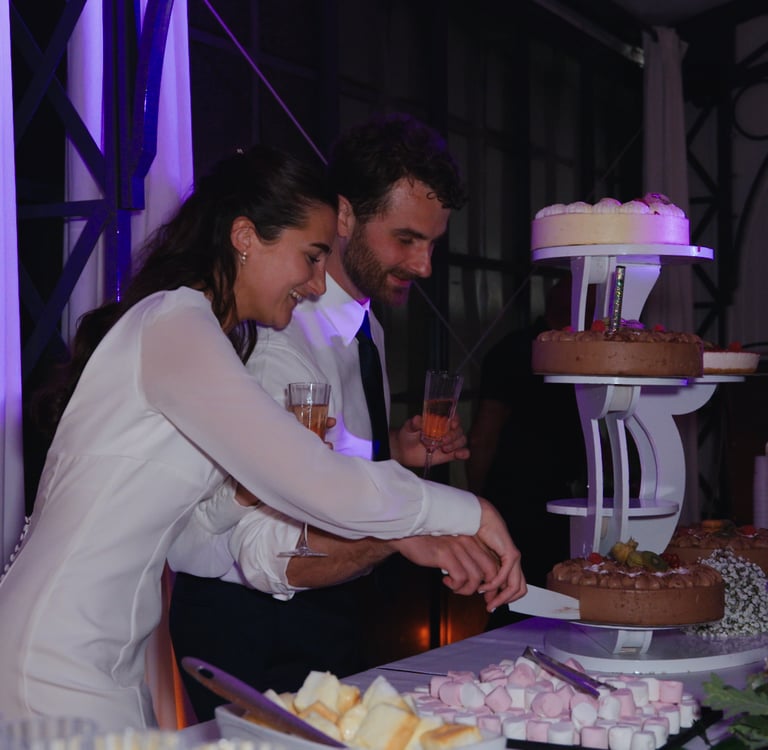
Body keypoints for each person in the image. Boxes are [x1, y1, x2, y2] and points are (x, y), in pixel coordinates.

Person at [0, 144, 525, 731]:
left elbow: (207, 510)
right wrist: (463, 509)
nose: (319, 281)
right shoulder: (177, 322)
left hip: (101, 656)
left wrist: (264, 498)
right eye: (312, 256)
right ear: (246, 237)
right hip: (56, 660)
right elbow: (314, 479)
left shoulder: (197, 331)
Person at [167, 114, 490, 720]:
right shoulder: (277, 331)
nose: (423, 266)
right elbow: (264, 504)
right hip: (257, 615)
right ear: (344, 217)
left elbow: (328, 457)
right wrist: (414, 524)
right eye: (406, 239)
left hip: (334, 602)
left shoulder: (364, 324)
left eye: (432, 244)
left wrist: (392, 447)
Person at [466, 275, 587, 628]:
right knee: (516, 598)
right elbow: (484, 433)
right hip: (517, 497)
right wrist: (476, 501)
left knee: (553, 594)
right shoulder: (518, 350)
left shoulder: (574, 353)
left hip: (559, 497)